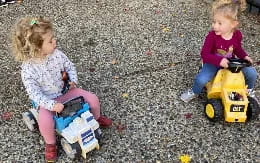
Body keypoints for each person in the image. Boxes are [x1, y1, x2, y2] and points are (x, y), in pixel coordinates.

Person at [11, 17, 112, 162]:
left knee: (93, 99)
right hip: (48, 101)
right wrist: (51, 105)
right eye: (50, 41)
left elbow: (69, 66)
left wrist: (73, 81)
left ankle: (96, 119)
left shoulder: (57, 55)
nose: (55, 42)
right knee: (45, 121)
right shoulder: (28, 70)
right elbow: (34, 93)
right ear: (37, 48)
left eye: (53, 38)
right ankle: (50, 144)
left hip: (66, 91)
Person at [181, 0, 258, 103]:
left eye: (220, 23)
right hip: (213, 62)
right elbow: (204, 54)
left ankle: (249, 91)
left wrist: (244, 56)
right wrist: (219, 61)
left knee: (252, 73)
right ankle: (194, 91)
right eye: (214, 22)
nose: (215, 26)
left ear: (233, 24)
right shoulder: (212, 36)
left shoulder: (237, 35)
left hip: (231, 61)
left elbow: (238, 49)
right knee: (201, 80)